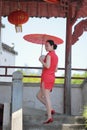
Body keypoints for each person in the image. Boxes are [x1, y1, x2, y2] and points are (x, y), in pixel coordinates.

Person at [36, 40, 58, 124]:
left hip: (46, 77)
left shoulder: (49, 55)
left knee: (46, 97)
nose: (46, 47)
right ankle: (50, 109)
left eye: (47, 45)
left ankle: (49, 117)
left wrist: (41, 60)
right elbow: (55, 69)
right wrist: (45, 62)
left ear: (52, 46)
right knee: (38, 95)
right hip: (51, 77)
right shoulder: (56, 56)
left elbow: (48, 66)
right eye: (45, 46)